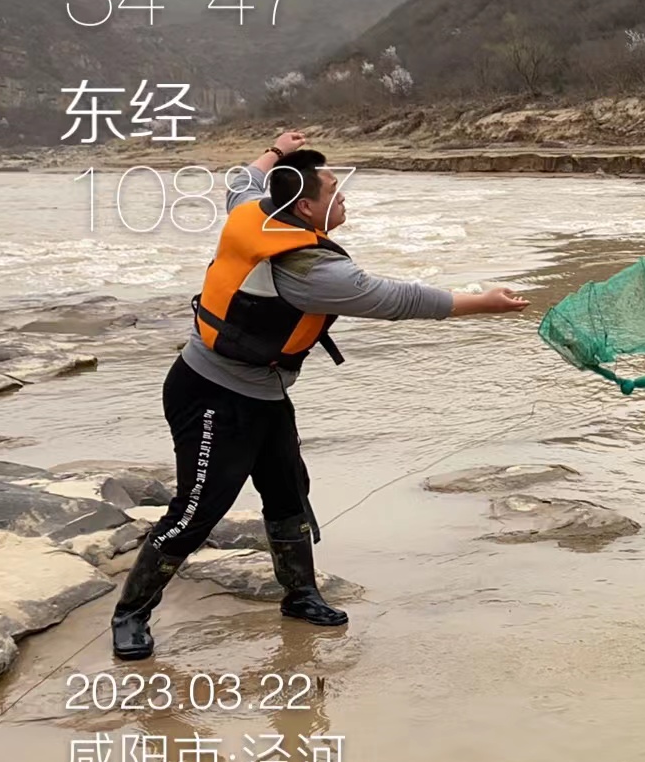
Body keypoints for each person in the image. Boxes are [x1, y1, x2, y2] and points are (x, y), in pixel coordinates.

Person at [110, 132, 530, 660]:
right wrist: (483, 303)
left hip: (264, 395)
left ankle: (300, 595)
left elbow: (242, 180)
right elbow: (399, 299)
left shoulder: (256, 210)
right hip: (212, 393)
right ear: (305, 207)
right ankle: (130, 614)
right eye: (334, 190)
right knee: (197, 509)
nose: (343, 195)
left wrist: (277, 149)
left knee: (288, 492)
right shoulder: (311, 271)